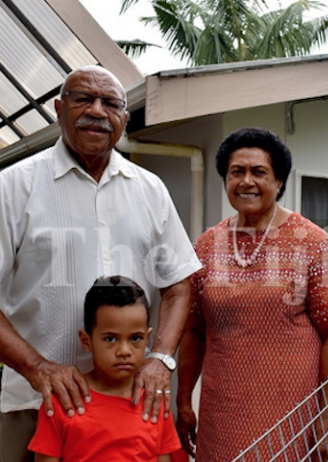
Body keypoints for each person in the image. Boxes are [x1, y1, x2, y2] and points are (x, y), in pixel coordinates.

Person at [0, 65, 202, 462]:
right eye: (83, 99)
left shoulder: (150, 189)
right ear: (59, 109)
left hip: (131, 408)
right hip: (32, 401)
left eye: (110, 103)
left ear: (124, 119)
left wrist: (161, 358)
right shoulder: (14, 186)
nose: (97, 110)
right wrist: (38, 368)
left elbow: (179, 284)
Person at [176, 127, 328, 462]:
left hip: (289, 417)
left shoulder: (312, 242)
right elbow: (194, 330)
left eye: (259, 172)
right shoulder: (206, 245)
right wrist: (183, 400)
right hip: (220, 417)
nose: (246, 181)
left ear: (279, 182)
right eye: (236, 172)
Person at [29, 275, 181, 462]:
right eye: (111, 339)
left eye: (135, 338)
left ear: (147, 338)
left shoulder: (155, 402)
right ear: (86, 340)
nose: (124, 351)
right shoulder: (63, 401)